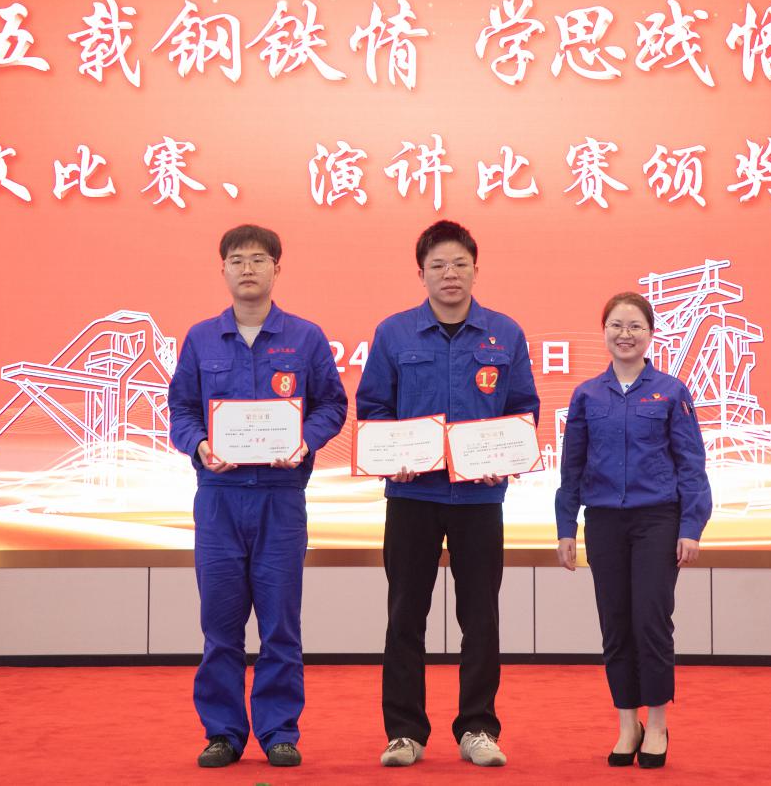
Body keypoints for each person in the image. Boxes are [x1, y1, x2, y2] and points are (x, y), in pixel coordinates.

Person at [356, 220, 539, 769]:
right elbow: (373, 408)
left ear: (476, 270)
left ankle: (478, 727)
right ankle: (404, 732)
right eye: (437, 265)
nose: (449, 274)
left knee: (480, 619)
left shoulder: (504, 333)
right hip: (412, 497)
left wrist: (504, 459)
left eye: (459, 263)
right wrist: (391, 455)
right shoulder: (394, 333)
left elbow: (523, 409)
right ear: (421, 274)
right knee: (404, 616)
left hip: (479, 501)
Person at [168, 224, 348, 769]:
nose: (247, 268)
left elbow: (332, 405)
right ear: (223, 269)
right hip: (219, 499)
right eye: (237, 260)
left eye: (259, 259)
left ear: (276, 269)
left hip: (280, 498)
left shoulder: (306, 338)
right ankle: (222, 733)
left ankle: (278, 731)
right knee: (220, 628)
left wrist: (304, 440)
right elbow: (181, 410)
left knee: (280, 627)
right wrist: (199, 445)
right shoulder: (201, 338)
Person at [553, 291, 712, 771]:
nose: (625, 335)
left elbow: (691, 464)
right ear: (603, 332)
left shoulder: (671, 392)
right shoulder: (586, 395)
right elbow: (572, 467)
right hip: (603, 522)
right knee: (615, 624)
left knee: (651, 621)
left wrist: (692, 526)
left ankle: (657, 723)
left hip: (657, 520)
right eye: (617, 326)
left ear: (650, 334)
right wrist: (566, 527)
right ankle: (628, 723)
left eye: (635, 326)